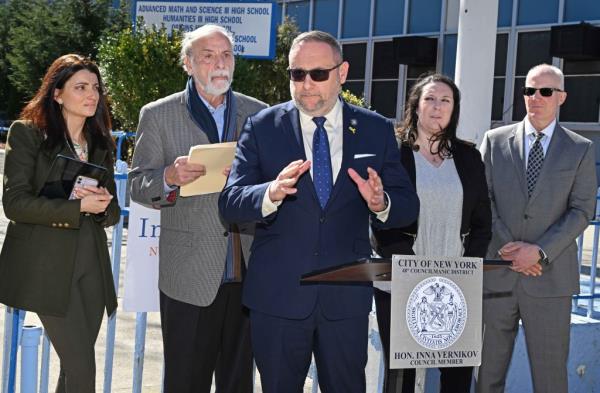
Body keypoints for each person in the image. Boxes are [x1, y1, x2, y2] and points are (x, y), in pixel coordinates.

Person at [218, 30, 419, 392]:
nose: (306, 84)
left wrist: (380, 203)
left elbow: (408, 205)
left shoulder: (374, 129)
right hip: (278, 298)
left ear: (342, 73)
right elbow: (230, 201)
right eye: (297, 74)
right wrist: (270, 193)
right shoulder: (263, 127)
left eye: (318, 74)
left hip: (345, 300)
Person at [129, 24, 266, 393]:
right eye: (208, 56)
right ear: (188, 64)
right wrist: (170, 178)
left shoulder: (259, 114)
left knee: (238, 383)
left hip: (246, 272)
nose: (219, 64)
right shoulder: (158, 115)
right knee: (186, 381)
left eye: (226, 55)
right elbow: (137, 183)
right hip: (188, 278)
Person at [0, 54, 120, 393]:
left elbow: (111, 214)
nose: (91, 95)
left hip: (91, 264)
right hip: (45, 266)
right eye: (80, 87)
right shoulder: (27, 134)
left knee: (73, 370)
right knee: (84, 372)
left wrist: (100, 206)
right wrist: (75, 204)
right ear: (57, 94)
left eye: (95, 87)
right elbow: (15, 203)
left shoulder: (99, 144)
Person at [477, 64, 597, 393]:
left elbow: (582, 210)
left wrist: (539, 252)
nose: (536, 98)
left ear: (562, 97)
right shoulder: (494, 140)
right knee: (487, 375)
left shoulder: (580, 149)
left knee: (550, 379)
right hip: (498, 274)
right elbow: (482, 199)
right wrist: (509, 246)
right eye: (530, 90)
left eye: (545, 91)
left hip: (550, 279)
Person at [371, 73, 492, 393]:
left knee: (457, 377)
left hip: (456, 286)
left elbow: (482, 224)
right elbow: (380, 217)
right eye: (430, 99)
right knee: (401, 379)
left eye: (445, 100)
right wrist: (411, 268)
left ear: (454, 110)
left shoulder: (469, 157)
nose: (437, 107)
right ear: (415, 105)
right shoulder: (393, 152)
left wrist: (468, 268)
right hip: (399, 281)